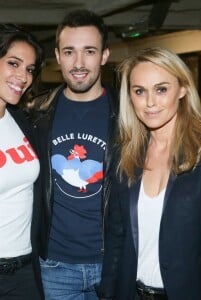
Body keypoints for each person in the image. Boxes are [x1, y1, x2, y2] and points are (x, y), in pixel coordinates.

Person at [98, 47, 201, 300]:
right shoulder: (125, 153)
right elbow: (117, 236)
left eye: (161, 89)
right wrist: (107, 293)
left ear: (183, 89)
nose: (150, 102)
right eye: (139, 91)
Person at [28, 9, 118, 300]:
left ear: (104, 55)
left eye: (89, 51)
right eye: (69, 51)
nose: (79, 63)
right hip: (55, 265)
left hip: (114, 261)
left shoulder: (129, 113)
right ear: (58, 55)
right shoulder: (35, 114)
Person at [0, 24, 43, 299]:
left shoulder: (22, 121)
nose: (23, 77)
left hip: (25, 269)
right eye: (13, 63)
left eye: (29, 69)